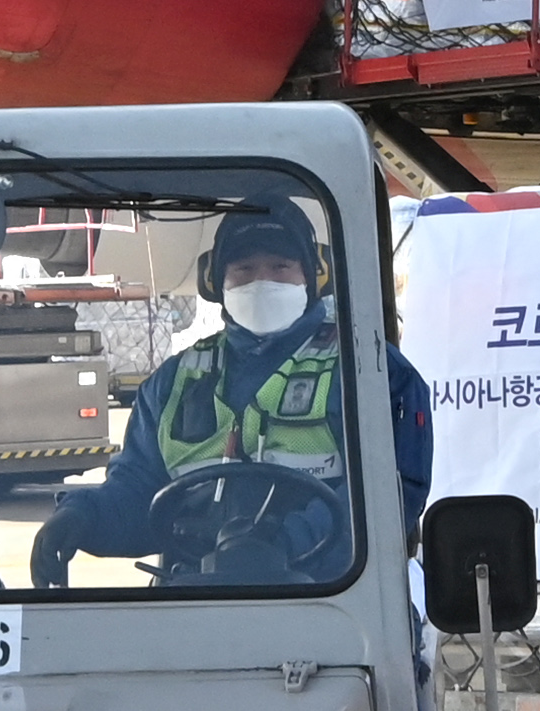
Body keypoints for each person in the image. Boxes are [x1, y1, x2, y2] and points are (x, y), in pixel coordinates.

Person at [38, 199, 426, 588]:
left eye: (280, 268)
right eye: (244, 269)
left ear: (313, 275)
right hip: (193, 602)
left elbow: (386, 493)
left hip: (331, 601)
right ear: (215, 281)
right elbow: (138, 492)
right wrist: (82, 516)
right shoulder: (174, 381)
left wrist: (284, 542)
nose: (262, 282)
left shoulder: (369, 372)